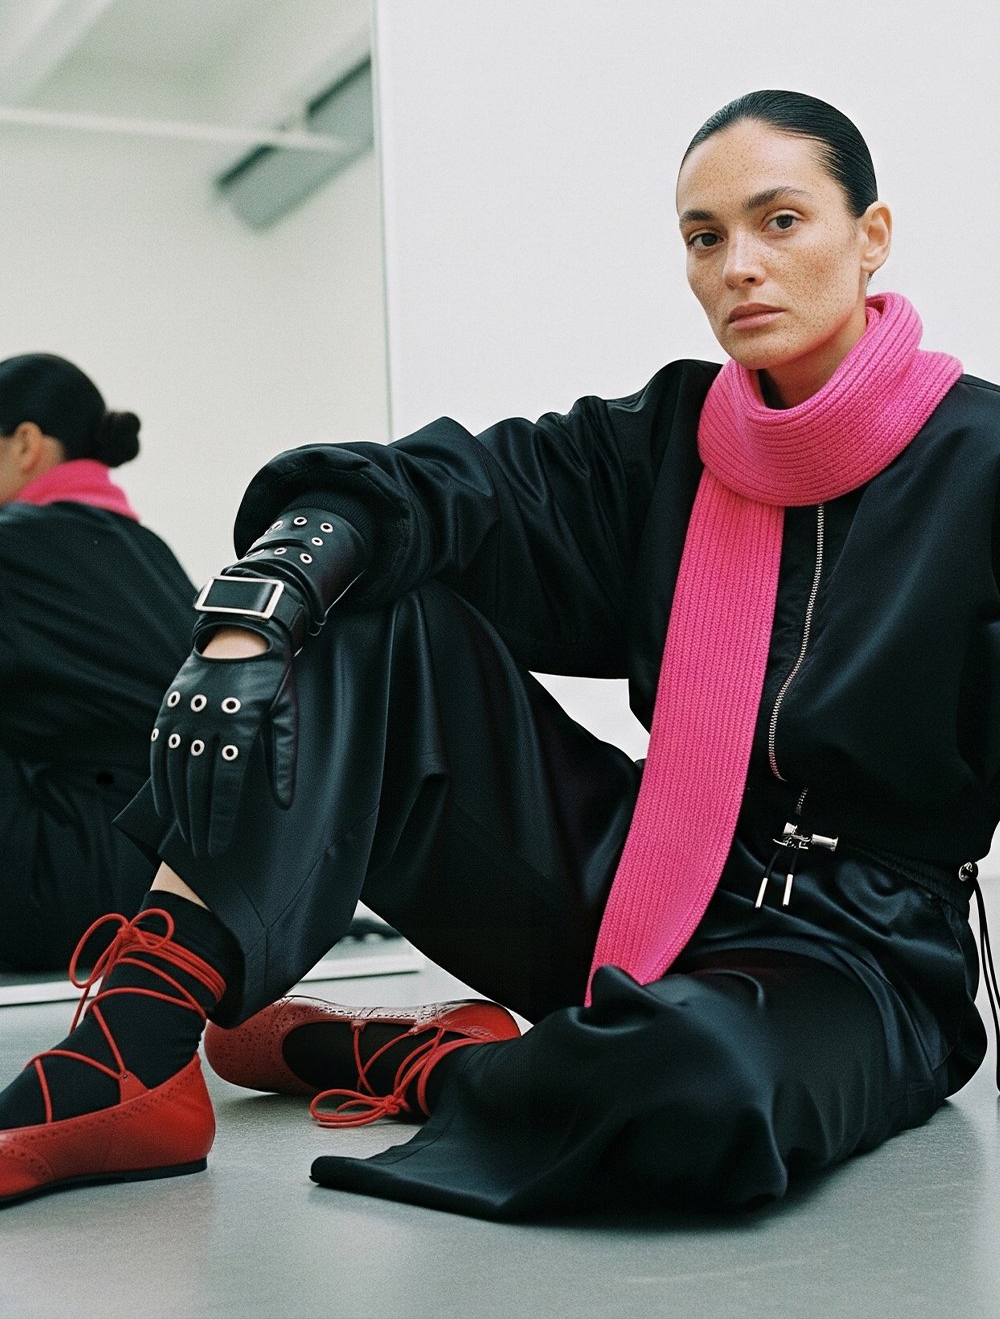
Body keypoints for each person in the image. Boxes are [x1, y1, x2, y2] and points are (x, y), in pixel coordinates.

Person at [1, 91, 997, 1218]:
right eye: (704, 237)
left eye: (780, 222)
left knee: (694, 1089)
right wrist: (262, 601)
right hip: (654, 865)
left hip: (857, 952)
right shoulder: (666, 438)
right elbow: (443, 487)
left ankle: (401, 1061)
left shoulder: (981, 460)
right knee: (366, 597)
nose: (738, 267)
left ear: (869, 237)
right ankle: (128, 1055)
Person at [0, 353, 196, 971]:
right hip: (180, 895)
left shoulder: (12, 544)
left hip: (62, 894)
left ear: (26, 443)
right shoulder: (154, 558)